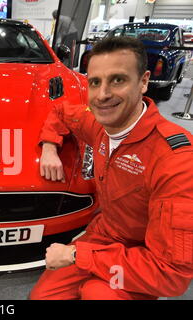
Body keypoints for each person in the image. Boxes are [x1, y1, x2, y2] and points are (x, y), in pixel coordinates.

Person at [30, 36, 193, 300]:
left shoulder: (177, 161)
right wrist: (50, 144)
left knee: (98, 293)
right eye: (95, 82)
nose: (103, 95)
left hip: (143, 255)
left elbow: (170, 275)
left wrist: (76, 254)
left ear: (143, 82)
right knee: (43, 296)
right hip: (104, 235)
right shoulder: (100, 125)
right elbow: (62, 112)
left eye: (117, 80)